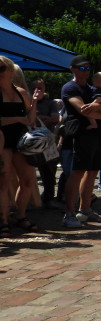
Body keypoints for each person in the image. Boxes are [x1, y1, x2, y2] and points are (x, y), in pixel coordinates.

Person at [61, 56, 101, 228]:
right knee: (77, 172)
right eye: (82, 68)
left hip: (96, 135)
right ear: (73, 69)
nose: (86, 71)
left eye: (88, 68)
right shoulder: (70, 88)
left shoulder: (93, 89)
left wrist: (100, 109)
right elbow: (83, 110)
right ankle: (69, 213)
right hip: (80, 133)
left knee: (92, 172)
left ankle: (85, 209)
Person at [0, 56, 43, 234]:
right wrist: (18, 118)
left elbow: (30, 119)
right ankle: (3, 220)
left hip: (20, 140)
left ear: (11, 70)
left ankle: (20, 216)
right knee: (3, 181)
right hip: (3, 140)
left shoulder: (21, 93)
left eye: (1, 68)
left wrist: (35, 102)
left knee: (27, 180)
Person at [31, 78, 62, 208]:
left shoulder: (50, 103)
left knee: (50, 169)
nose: (38, 90)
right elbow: (30, 119)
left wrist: (39, 119)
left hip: (48, 140)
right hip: (31, 141)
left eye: (41, 87)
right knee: (31, 170)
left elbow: (56, 118)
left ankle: (49, 197)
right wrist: (43, 118)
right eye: (36, 87)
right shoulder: (29, 101)